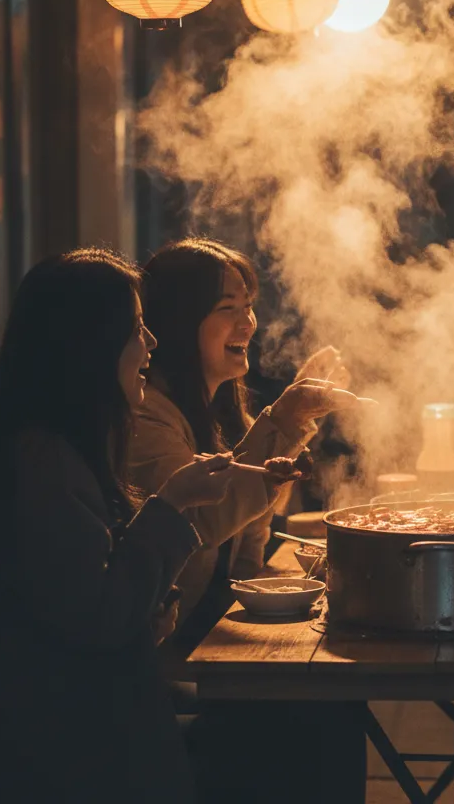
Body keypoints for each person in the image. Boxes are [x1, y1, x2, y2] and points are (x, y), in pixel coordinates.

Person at [0, 249, 261, 804]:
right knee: (297, 735)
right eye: (135, 329)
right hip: (24, 760)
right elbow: (100, 616)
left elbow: (73, 609)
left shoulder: (40, 446)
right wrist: (173, 503)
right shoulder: (37, 462)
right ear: (89, 347)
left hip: (31, 732)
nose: (151, 343)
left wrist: (147, 614)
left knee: (282, 728)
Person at [130, 237, 369, 802]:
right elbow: (204, 519)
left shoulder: (204, 409)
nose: (248, 323)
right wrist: (282, 419)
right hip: (160, 661)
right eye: (226, 309)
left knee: (333, 693)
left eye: (249, 305)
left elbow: (245, 553)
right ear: (172, 322)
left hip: (207, 638)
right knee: (320, 706)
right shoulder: (146, 420)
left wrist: (289, 420)